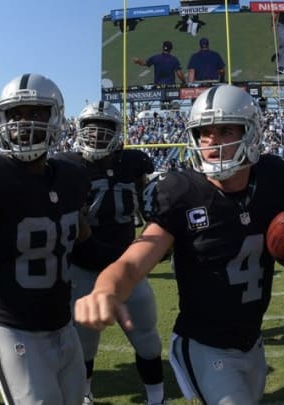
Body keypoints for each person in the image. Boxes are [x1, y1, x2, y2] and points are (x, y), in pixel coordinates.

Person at [74, 84, 284, 404]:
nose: (212, 142)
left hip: (252, 342)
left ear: (252, 132)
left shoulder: (274, 176)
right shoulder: (182, 191)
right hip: (203, 345)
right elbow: (135, 260)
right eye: (204, 132)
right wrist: (106, 289)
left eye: (226, 130)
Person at [0, 73, 90, 404]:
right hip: (12, 330)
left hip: (63, 324)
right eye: (15, 115)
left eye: (36, 113)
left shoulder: (71, 175)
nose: (24, 123)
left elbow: (80, 232)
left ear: (56, 117)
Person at [60, 101, 165, 405]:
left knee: (147, 338)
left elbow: (150, 203)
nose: (96, 135)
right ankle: (84, 395)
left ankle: (157, 398)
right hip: (82, 268)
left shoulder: (133, 163)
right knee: (84, 344)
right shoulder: (66, 166)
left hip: (126, 266)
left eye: (105, 128)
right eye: (90, 128)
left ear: (117, 133)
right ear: (79, 130)